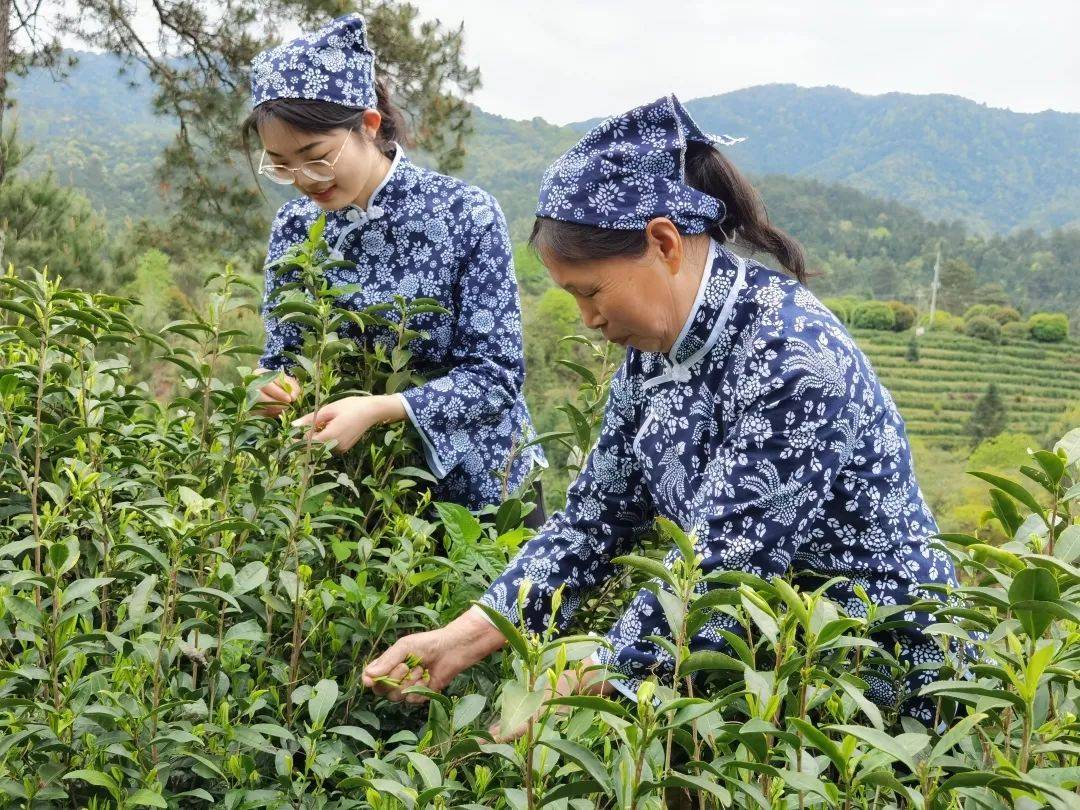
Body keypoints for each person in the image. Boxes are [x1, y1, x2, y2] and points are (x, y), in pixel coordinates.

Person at [362, 94, 959, 726]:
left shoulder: (795, 358)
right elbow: (589, 526)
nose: (588, 320)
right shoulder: (654, 355)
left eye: (592, 292)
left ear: (664, 243)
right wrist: (456, 641)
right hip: (763, 678)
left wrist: (601, 671)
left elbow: (725, 563)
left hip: (878, 685)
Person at [245, 14, 546, 511]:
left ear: (369, 124)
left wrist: (384, 409)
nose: (301, 178)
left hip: (483, 487)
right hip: (353, 493)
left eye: (315, 155)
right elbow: (283, 354)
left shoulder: (463, 213)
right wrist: (271, 387)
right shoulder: (297, 227)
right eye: (280, 164)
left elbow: (496, 375)